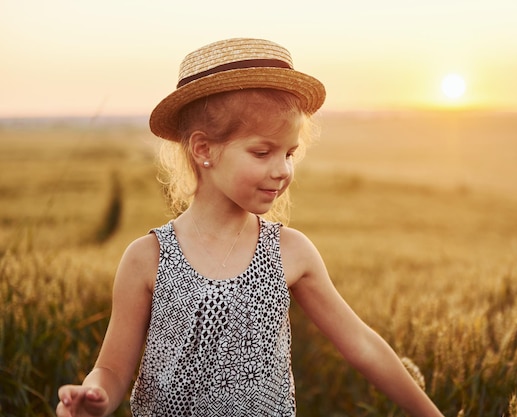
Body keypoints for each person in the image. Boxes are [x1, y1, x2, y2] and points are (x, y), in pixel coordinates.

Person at [56, 38, 444, 417]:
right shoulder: (147, 258)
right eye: (262, 152)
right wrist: (94, 396)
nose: (283, 170)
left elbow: (361, 344)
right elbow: (111, 369)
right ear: (203, 149)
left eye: (289, 153)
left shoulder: (291, 252)